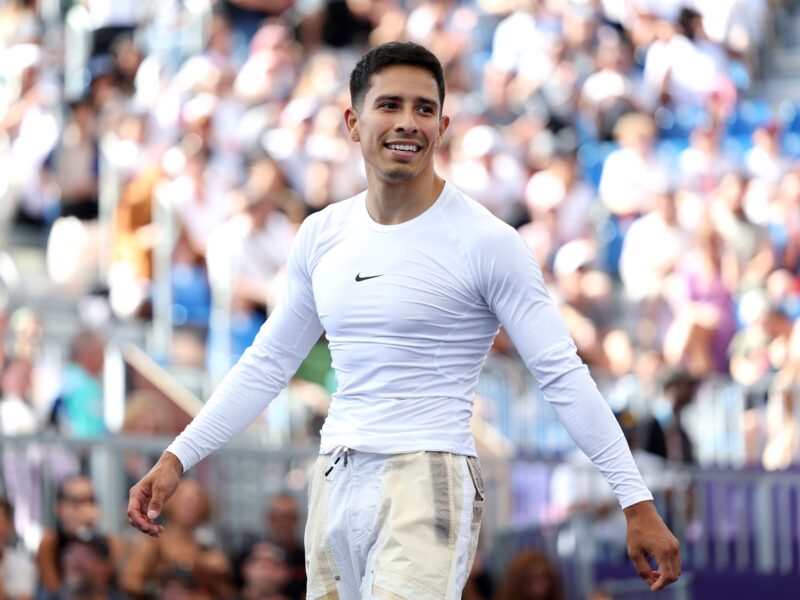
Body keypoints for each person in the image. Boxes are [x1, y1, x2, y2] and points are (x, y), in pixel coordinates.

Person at [128, 42, 680, 598]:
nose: (407, 123)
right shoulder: (321, 234)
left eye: (423, 109)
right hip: (336, 472)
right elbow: (267, 364)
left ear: (442, 126)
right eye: (389, 104)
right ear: (353, 122)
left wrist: (635, 499)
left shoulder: (488, 241)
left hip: (431, 474)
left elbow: (562, 375)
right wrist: (178, 457)